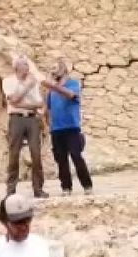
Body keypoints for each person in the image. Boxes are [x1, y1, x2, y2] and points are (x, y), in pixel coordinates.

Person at [44, 58, 93, 196]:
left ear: (63, 69)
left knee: (76, 156)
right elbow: (48, 108)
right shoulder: (51, 90)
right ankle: (66, 188)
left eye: (55, 67)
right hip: (56, 129)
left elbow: (70, 95)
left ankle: (87, 186)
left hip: (71, 127)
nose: (52, 70)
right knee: (61, 160)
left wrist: (54, 86)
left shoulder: (73, 84)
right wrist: (47, 123)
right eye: (51, 68)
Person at [2, 55, 48, 198]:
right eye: (24, 65)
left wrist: (21, 102)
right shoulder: (8, 81)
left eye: (27, 65)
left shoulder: (33, 82)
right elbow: (13, 100)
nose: (27, 68)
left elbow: (39, 103)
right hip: (16, 119)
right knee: (14, 153)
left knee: (36, 154)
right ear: (16, 67)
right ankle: (11, 190)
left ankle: (38, 189)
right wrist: (27, 86)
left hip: (32, 119)